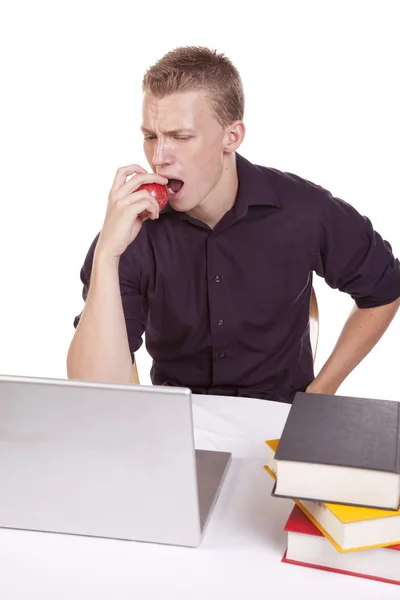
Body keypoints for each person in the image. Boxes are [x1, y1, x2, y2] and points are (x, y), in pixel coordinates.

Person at [67, 46, 400, 404]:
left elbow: (385, 289)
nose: (159, 157)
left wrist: (320, 394)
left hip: (279, 420)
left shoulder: (303, 209)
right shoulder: (131, 230)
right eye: (151, 136)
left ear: (232, 137)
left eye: (180, 137)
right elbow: (95, 392)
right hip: (178, 421)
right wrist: (107, 255)